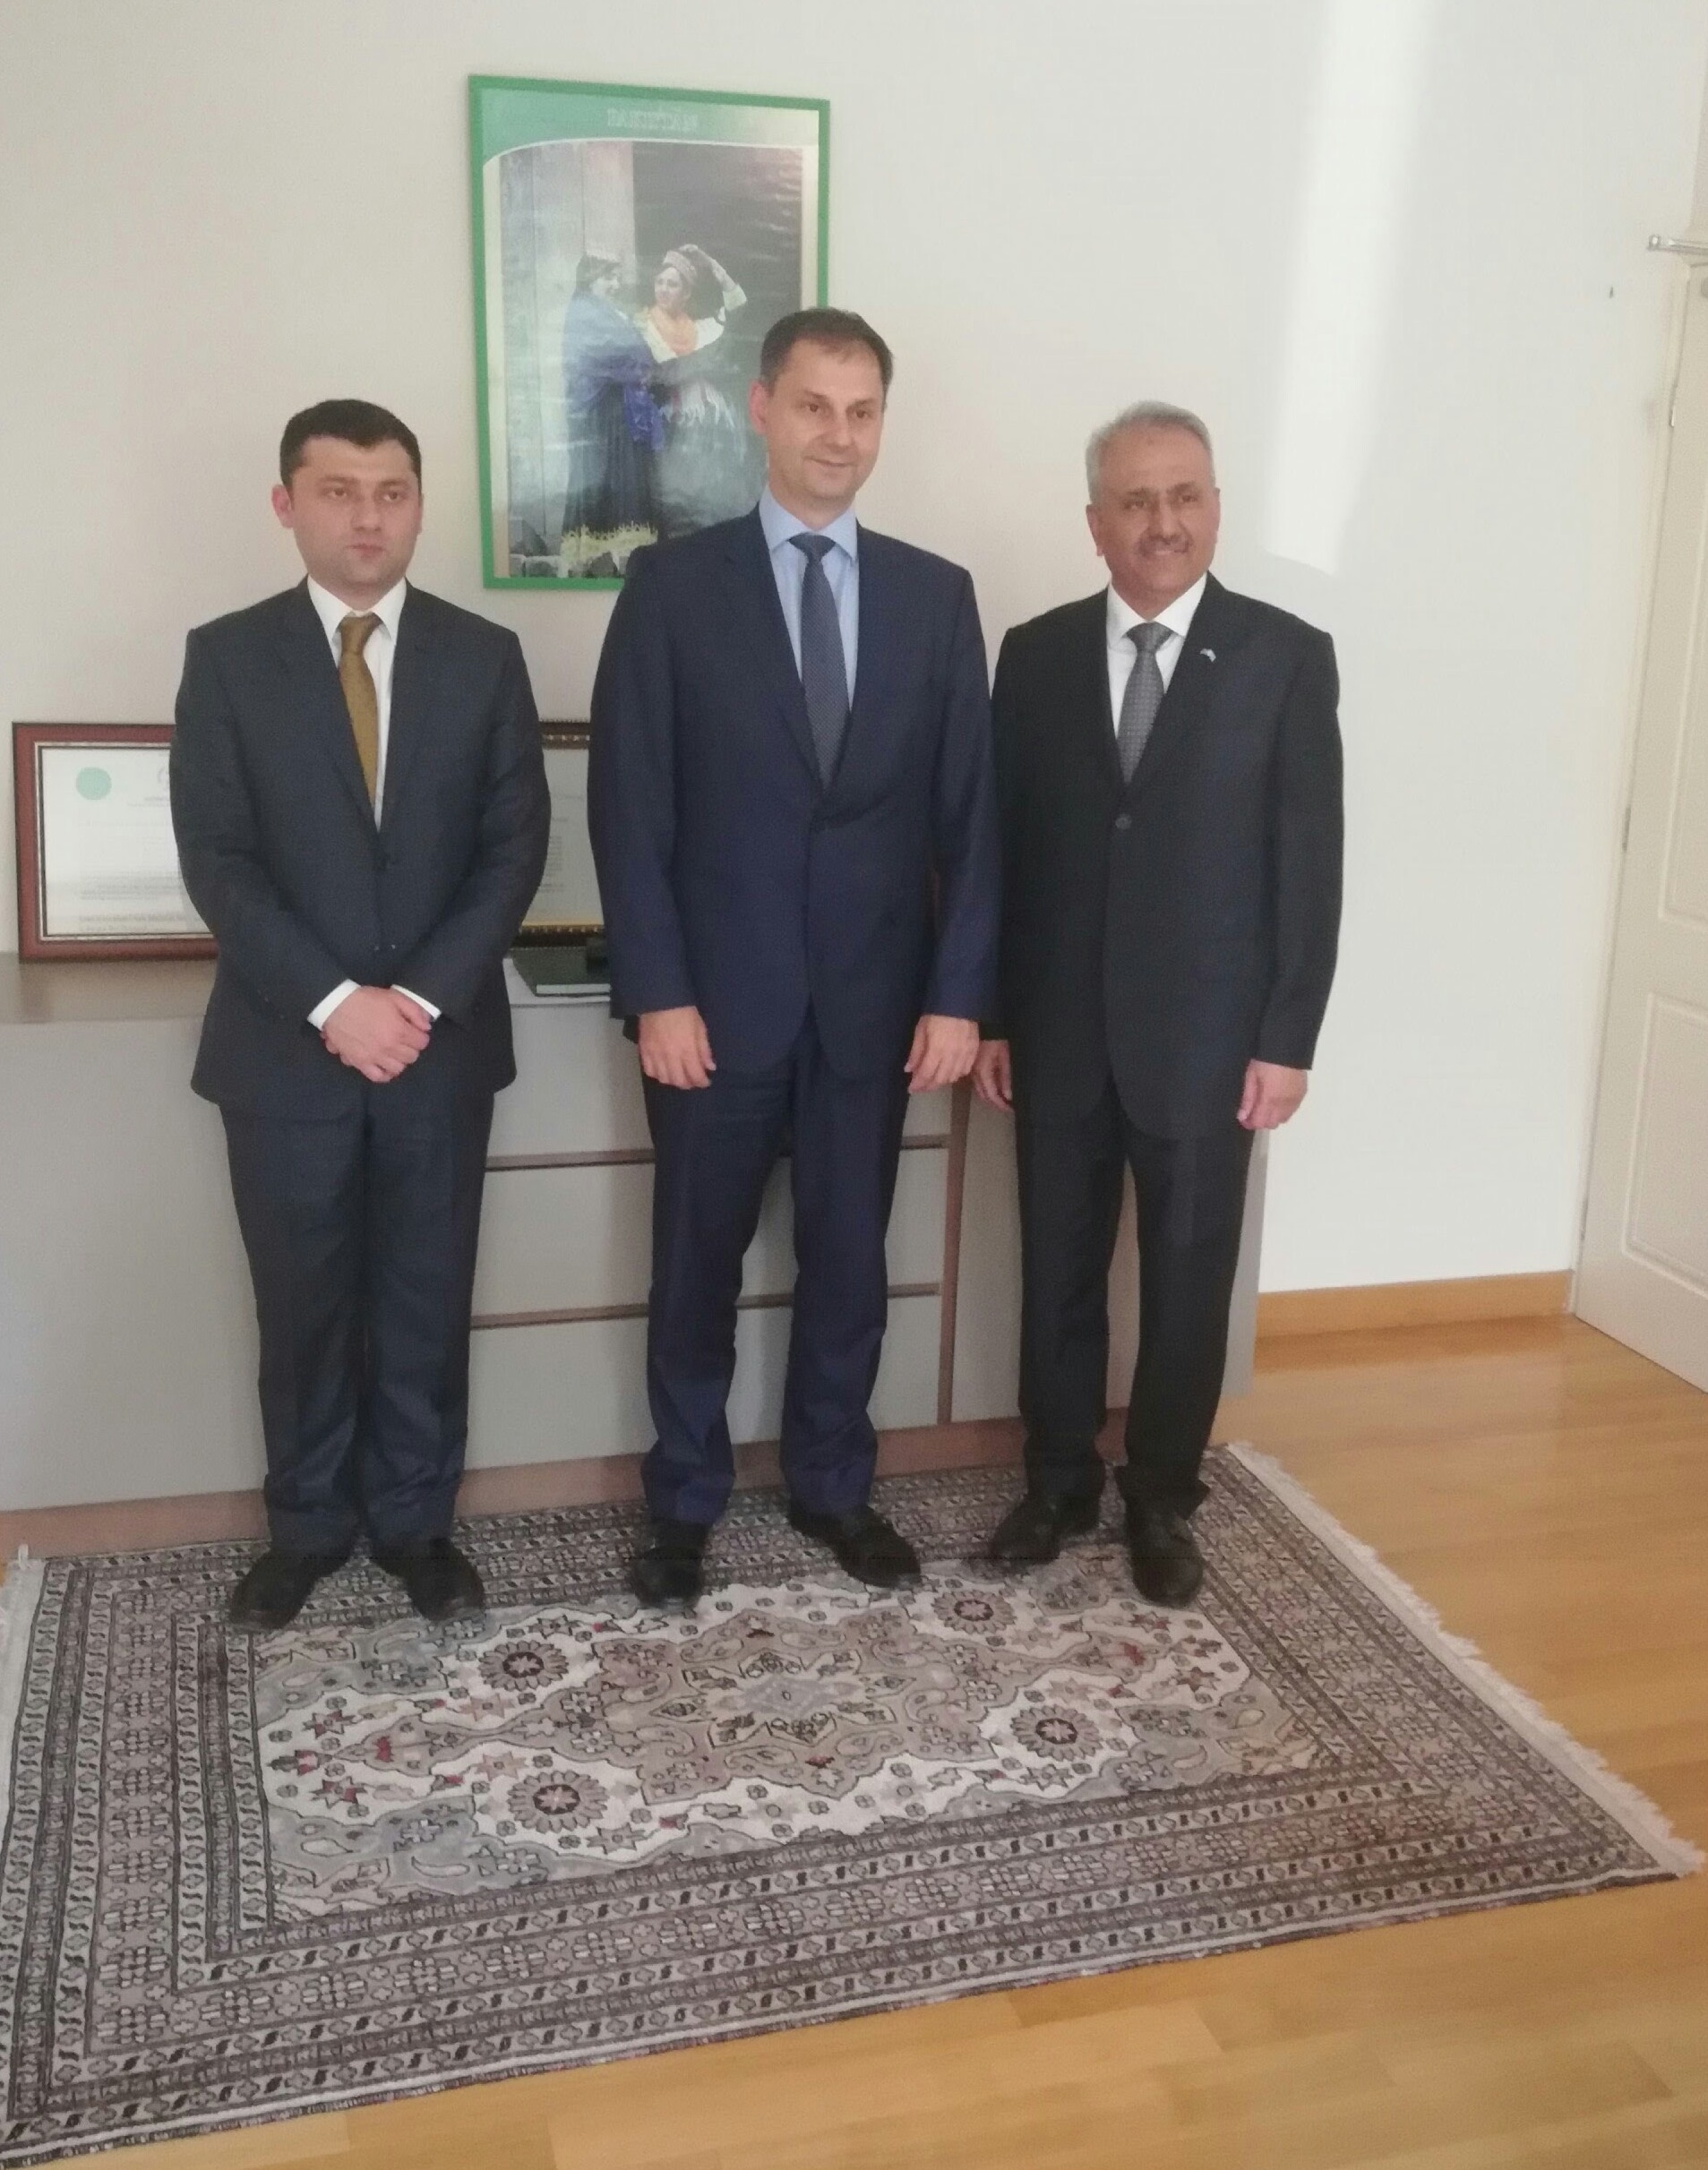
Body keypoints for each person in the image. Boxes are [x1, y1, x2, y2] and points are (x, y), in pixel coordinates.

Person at [589, 308, 1000, 1608]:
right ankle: (682, 1501)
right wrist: (657, 991)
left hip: (874, 1013)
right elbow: (628, 809)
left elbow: (971, 822)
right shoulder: (672, 588)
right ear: (762, 408)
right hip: (711, 1012)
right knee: (694, 1268)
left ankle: (833, 1484)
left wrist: (956, 998)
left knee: (847, 1265)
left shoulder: (936, 597)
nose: (839, 434)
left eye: (862, 410)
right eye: (815, 405)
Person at [170, 399, 550, 1631]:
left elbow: (512, 848)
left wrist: (416, 998)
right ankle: (305, 1529)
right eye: (338, 491)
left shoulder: (483, 656)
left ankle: (415, 1526)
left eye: (391, 491)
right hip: (285, 1051)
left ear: (419, 505)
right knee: (302, 1306)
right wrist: (337, 1003)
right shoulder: (228, 658)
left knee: (426, 1300)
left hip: (438, 1049)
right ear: (288, 504)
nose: (368, 516)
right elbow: (218, 859)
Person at [975, 404, 1342, 1607]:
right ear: (1094, 523)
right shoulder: (1032, 655)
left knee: (1187, 1280)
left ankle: (1161, 1497)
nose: (1161, 522)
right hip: (1056, 1032)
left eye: (1183, 495)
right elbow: (1000, 851)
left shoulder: (1284, 656)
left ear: (1215, 508)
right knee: (1055, 1269)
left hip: (1207, 1041)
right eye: (1133, 500)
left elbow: (1308, 863)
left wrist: (1285, 1038)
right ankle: (1055, 1482)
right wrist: (991, 1014)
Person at [636, 244, 751, 538]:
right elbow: (646, 374)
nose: (663, 290)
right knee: (672, 506)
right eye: (659, 282)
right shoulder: (641, 328)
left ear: (686, 294)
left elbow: (738, 307)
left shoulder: (703, 330)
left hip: (707, 429)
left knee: (707, 504)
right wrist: (695, 366)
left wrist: (712, 264)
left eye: (672, 284)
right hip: (666, 428)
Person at [561, 254, 660, 573]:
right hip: (603, 416)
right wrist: (639, 359)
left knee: (624, 480)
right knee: (610, 479)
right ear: (590, 280)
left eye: (617, 277)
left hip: (619, 411)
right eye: (608, 278)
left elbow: (637, 352)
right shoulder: (586, 312)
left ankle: (622, 556)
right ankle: (606, 557)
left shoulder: (605, 312)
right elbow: (617, 354)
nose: (616, 285)